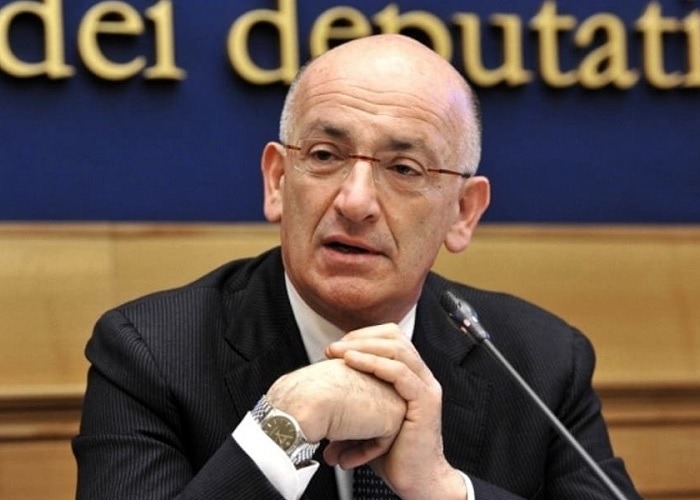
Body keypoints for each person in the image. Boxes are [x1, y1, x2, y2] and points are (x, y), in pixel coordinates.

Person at [72, 34, 640, 499]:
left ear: (463, 213)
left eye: (405, 168)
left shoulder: (540, 361)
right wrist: (284, 427)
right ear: (277, 181)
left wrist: (442, 491)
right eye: (325, 156)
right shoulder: (151, 352)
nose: (355, 201)